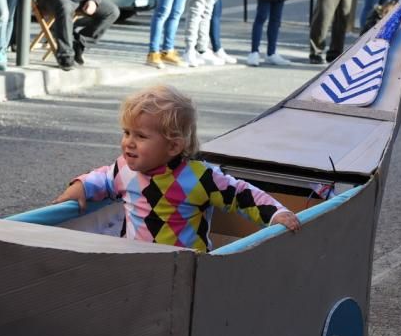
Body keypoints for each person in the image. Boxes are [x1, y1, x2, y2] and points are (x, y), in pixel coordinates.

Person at [53, 85, 300, 252]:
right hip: (136, 262)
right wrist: (81, 186)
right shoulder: (123, 170)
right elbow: (102, 179)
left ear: (173, 146)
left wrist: (275, 214)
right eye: (126, 132)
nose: (128, 141)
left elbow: (242, 195)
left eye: (140, 135)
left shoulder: (200, 177)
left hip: (188, 270)